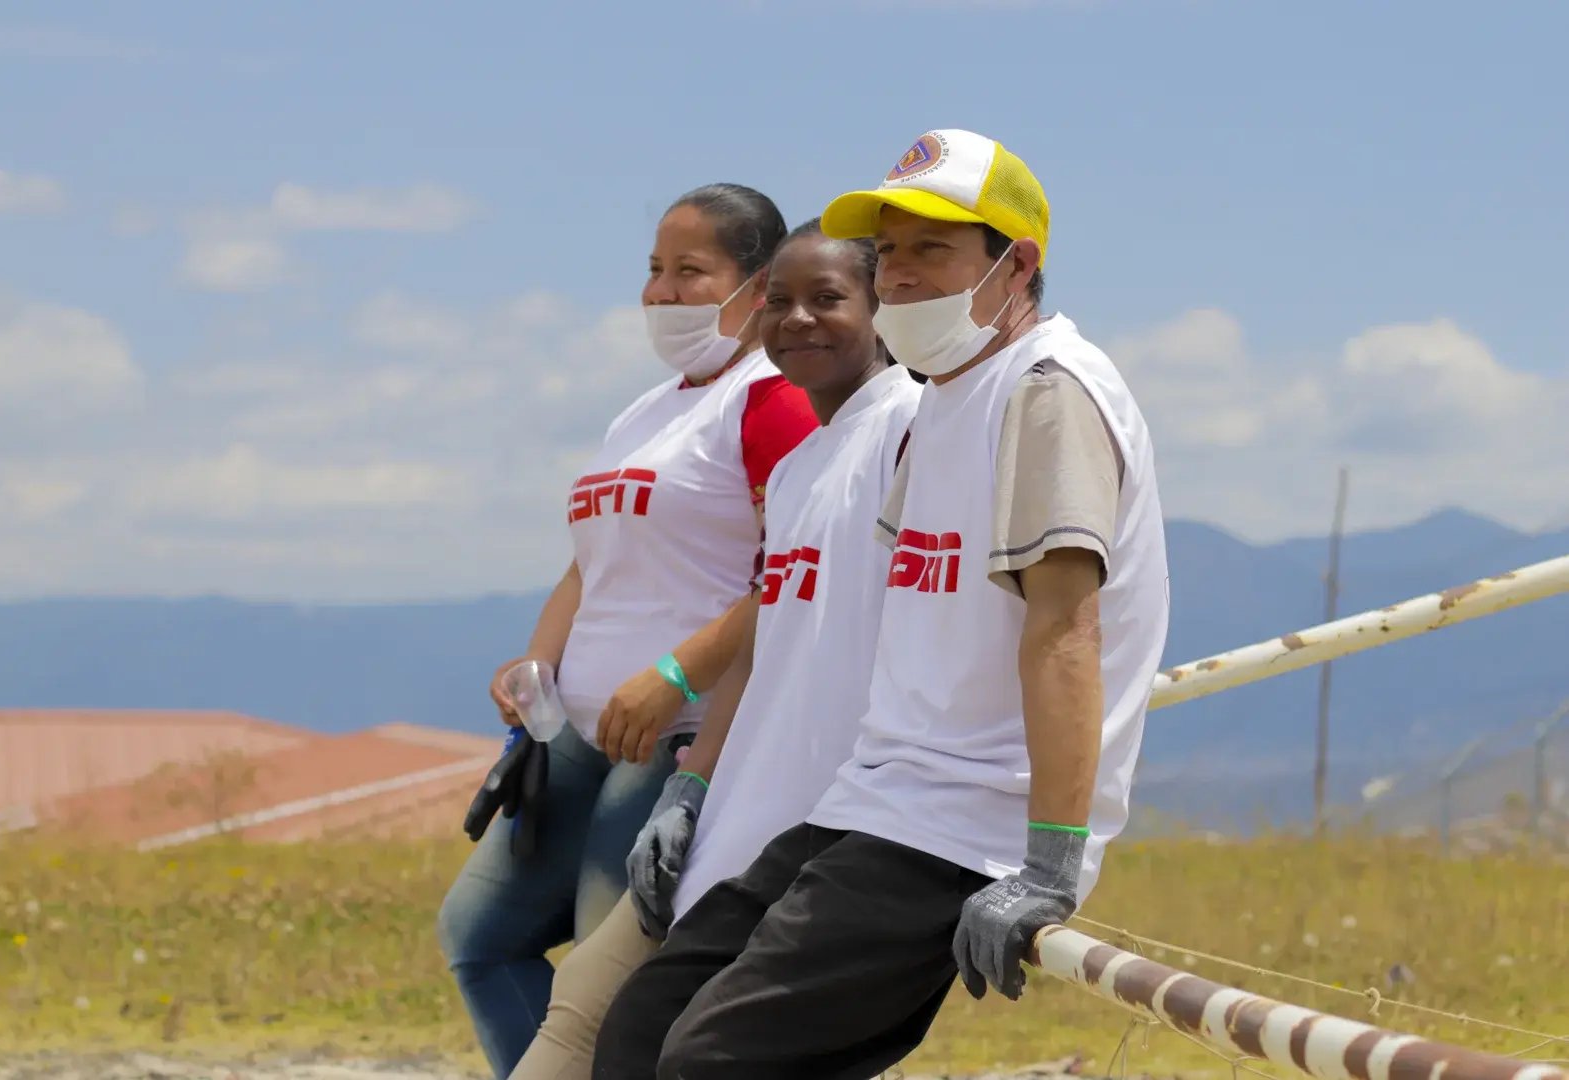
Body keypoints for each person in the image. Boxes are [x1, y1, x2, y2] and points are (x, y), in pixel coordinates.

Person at [592, 129, 1171, 1080]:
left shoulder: (1045, 392)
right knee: (640, 1032)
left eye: (932, 250)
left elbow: (1065, 631)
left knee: (714, 1062)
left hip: (966, 821)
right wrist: (699, 783)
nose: (899, 275)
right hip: (875, 797)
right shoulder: (944, 397)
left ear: (1016, 265)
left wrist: (1051, 864)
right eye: (891, 250)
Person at [505, 219, 921, 1080]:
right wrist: (692, 788)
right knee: (595, 1006)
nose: (797, 319)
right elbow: (767, 637)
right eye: (781, 302)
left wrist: (671, 681)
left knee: (661, 1037)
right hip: (735, 803)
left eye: (828, 299)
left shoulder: (911, 433)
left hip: (832, 825)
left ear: (883, 311)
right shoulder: (810, 460)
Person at [436, 183, 819, 1078]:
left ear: (757, 285)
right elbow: (587, 563)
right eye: (654, 269)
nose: (661, 292)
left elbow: (792, 573)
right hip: (573, 733)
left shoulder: (769, 402)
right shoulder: (642, 414)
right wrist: (537, 659)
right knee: (479, 936)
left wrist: (677, 677)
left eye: (691, 272)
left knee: (607, 985)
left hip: (672, 734)